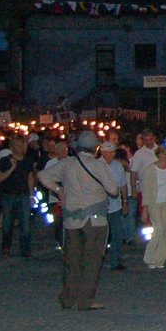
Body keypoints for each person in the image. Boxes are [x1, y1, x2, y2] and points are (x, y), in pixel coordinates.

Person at [36, 130, 120, 311]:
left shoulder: (67, 164)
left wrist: (59, 190)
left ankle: (68, 297)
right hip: (95, 219)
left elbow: (42, 176)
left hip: (71, 218)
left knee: (72, 259)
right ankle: (85, 300)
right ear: (96, 148)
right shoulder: (99, 166)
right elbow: (113, 190)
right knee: (92, 259)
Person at [0, 134, 35, 259]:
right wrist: (12, 168)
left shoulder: (28, 161)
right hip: (9, 195)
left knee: (25, 224)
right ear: (12, 148)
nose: (21, 148)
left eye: (22, 145)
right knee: (7, 224)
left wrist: (32, 195)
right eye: (18, 146)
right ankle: (6, 246)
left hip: (23, 195)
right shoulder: (5, 161)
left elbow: (30, 177)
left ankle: (25, 250)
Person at [139, 142, 166, 270]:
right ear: (159, 154)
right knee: (158, 229)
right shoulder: (151, 169)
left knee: (164, 230)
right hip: (154, 202)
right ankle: (150, 257)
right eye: (165, 154)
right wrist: (145, 208)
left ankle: (160, 258)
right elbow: (147, 189)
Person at [98, 140, 131, 271]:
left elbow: (123, 184)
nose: (113, 154)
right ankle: (97, 260)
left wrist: (125, 201)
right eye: (111, 152)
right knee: (100, 235)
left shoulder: (117, 166)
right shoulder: (97, 165)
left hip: (115, 205)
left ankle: (115, 261)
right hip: (100, 206)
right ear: (104, 152)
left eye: (114, 152)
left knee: (117, 234)